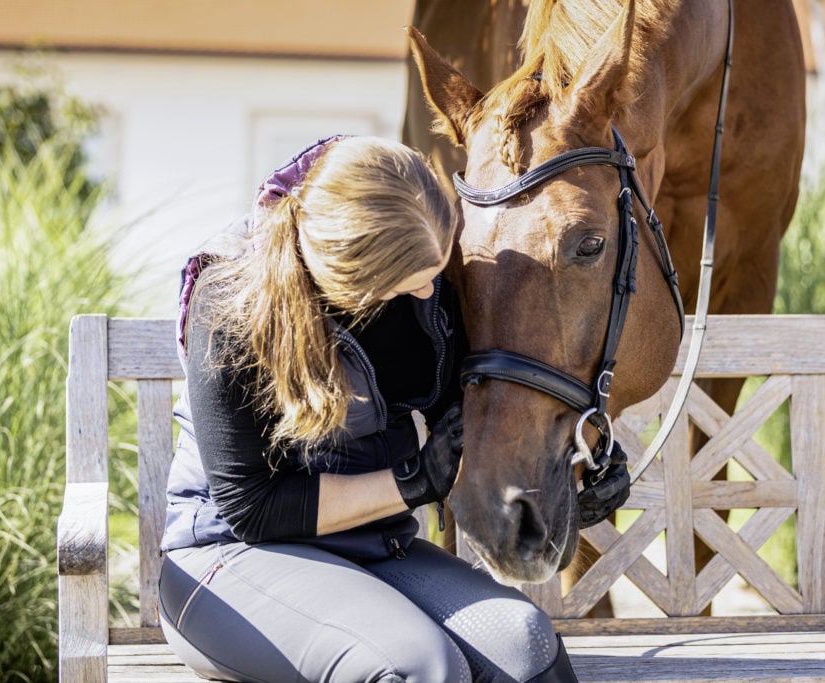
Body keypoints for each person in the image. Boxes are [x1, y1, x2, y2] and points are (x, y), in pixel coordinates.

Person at [158, 135, 579, 682]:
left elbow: (477, 417)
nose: (433, 292)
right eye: (413, 283)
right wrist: (411, 483)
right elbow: (252, 509)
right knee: (419, 667)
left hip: (374, 549)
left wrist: (577, 463)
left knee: (524, 646)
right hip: (230, 563)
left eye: (437, 270)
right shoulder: (231, 299)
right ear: (350, 285)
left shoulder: (427, 280)